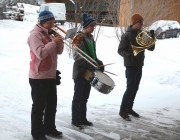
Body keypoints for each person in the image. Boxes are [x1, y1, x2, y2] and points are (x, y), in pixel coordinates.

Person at [27, 10, 64, 140]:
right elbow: (41, 53)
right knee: (39, 106)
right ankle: (37, 134)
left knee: (51, 104)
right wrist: (53, 42)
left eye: (53, 22)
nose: (53, 25)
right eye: (50, 22)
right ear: (42, 22)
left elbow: (58, 52)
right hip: (39, 76)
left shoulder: (49, 33)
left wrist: (59, 41)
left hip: (50, 74)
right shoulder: (35, 35)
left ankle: (49, 128)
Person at [118, 13, 155, 121]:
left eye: (142, 23)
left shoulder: (142, 34)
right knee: (130, 89)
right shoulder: (127, 35)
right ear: (135, 23)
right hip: (130, 66)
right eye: (140, 23)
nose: (142, 25)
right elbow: (120, 50)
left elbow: (151, 48)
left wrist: (152, 38)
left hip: (139, 66)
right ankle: (122, 110)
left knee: (135, 88)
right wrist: (129, 56)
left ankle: (129, 108)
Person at [71, 13, 104, 128]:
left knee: (85, 96)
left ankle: (82, 118)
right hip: (80, 72)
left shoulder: (91, 38)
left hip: (89, 72)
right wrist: (89, 63)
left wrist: (98, 62)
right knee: (78, 96)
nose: (94, 27)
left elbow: (93, 55)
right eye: (92, 26)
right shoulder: (78, 37)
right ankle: (75, 119)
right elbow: (76, 56)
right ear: (86, 26)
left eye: (94, 25)